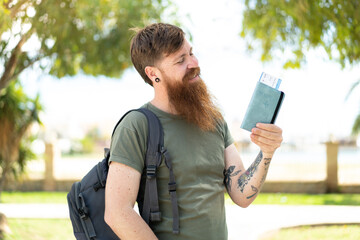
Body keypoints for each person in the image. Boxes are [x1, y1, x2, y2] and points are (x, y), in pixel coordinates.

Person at [104, 23, 283, 240]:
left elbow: (242, 194)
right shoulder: (136, 126)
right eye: (180, 60)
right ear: (153, 74)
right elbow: (117, 213)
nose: (194, 64)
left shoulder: (214, 119)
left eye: (191, 53)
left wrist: (266, 153)